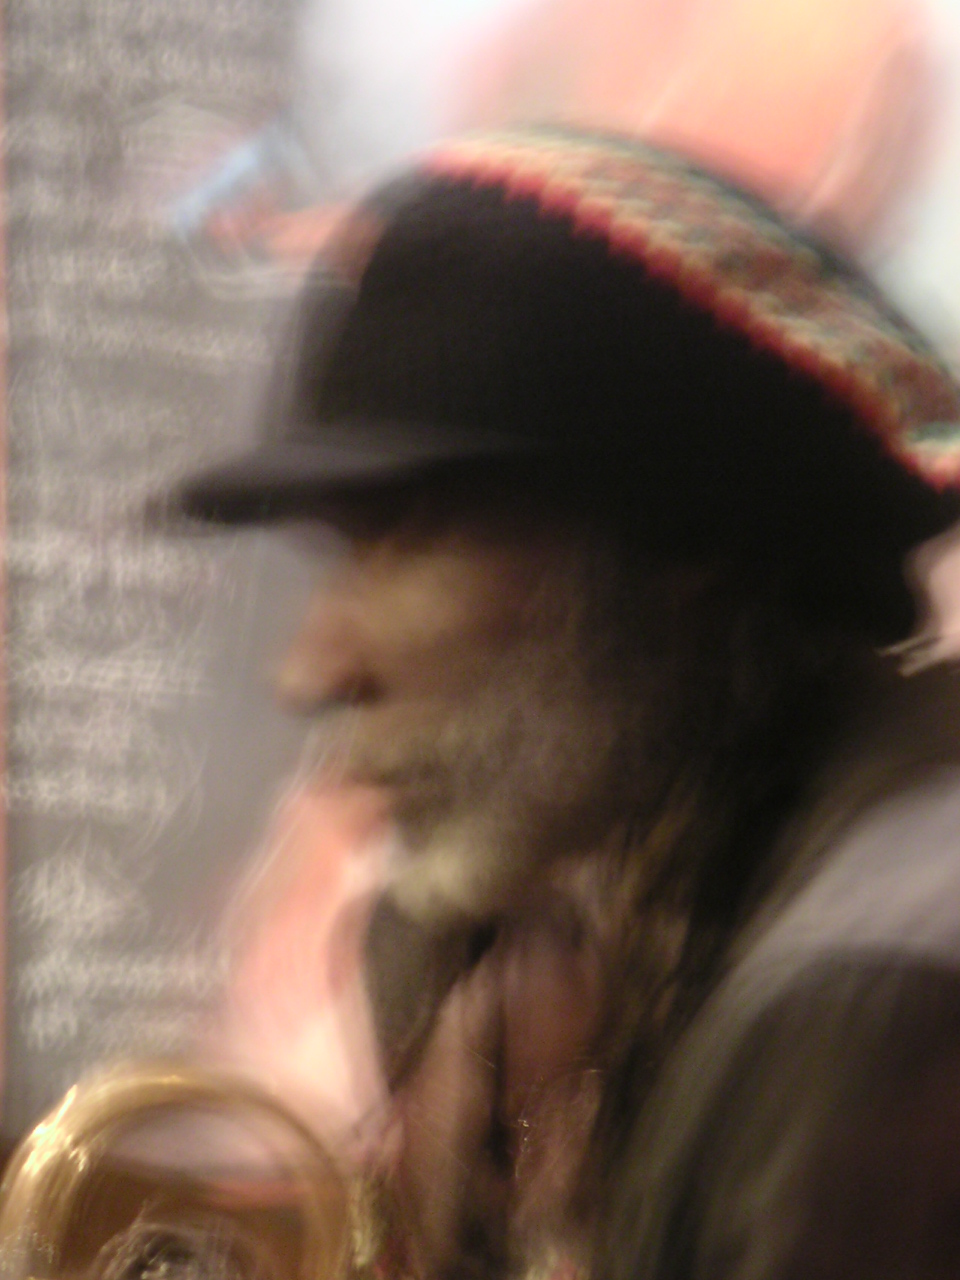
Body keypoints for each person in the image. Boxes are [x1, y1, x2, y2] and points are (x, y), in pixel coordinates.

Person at [174, 126, 960, 1280]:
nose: (312, 668)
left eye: (402, 539)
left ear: (685, 535)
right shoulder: (507, 940)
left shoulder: (882, 984)